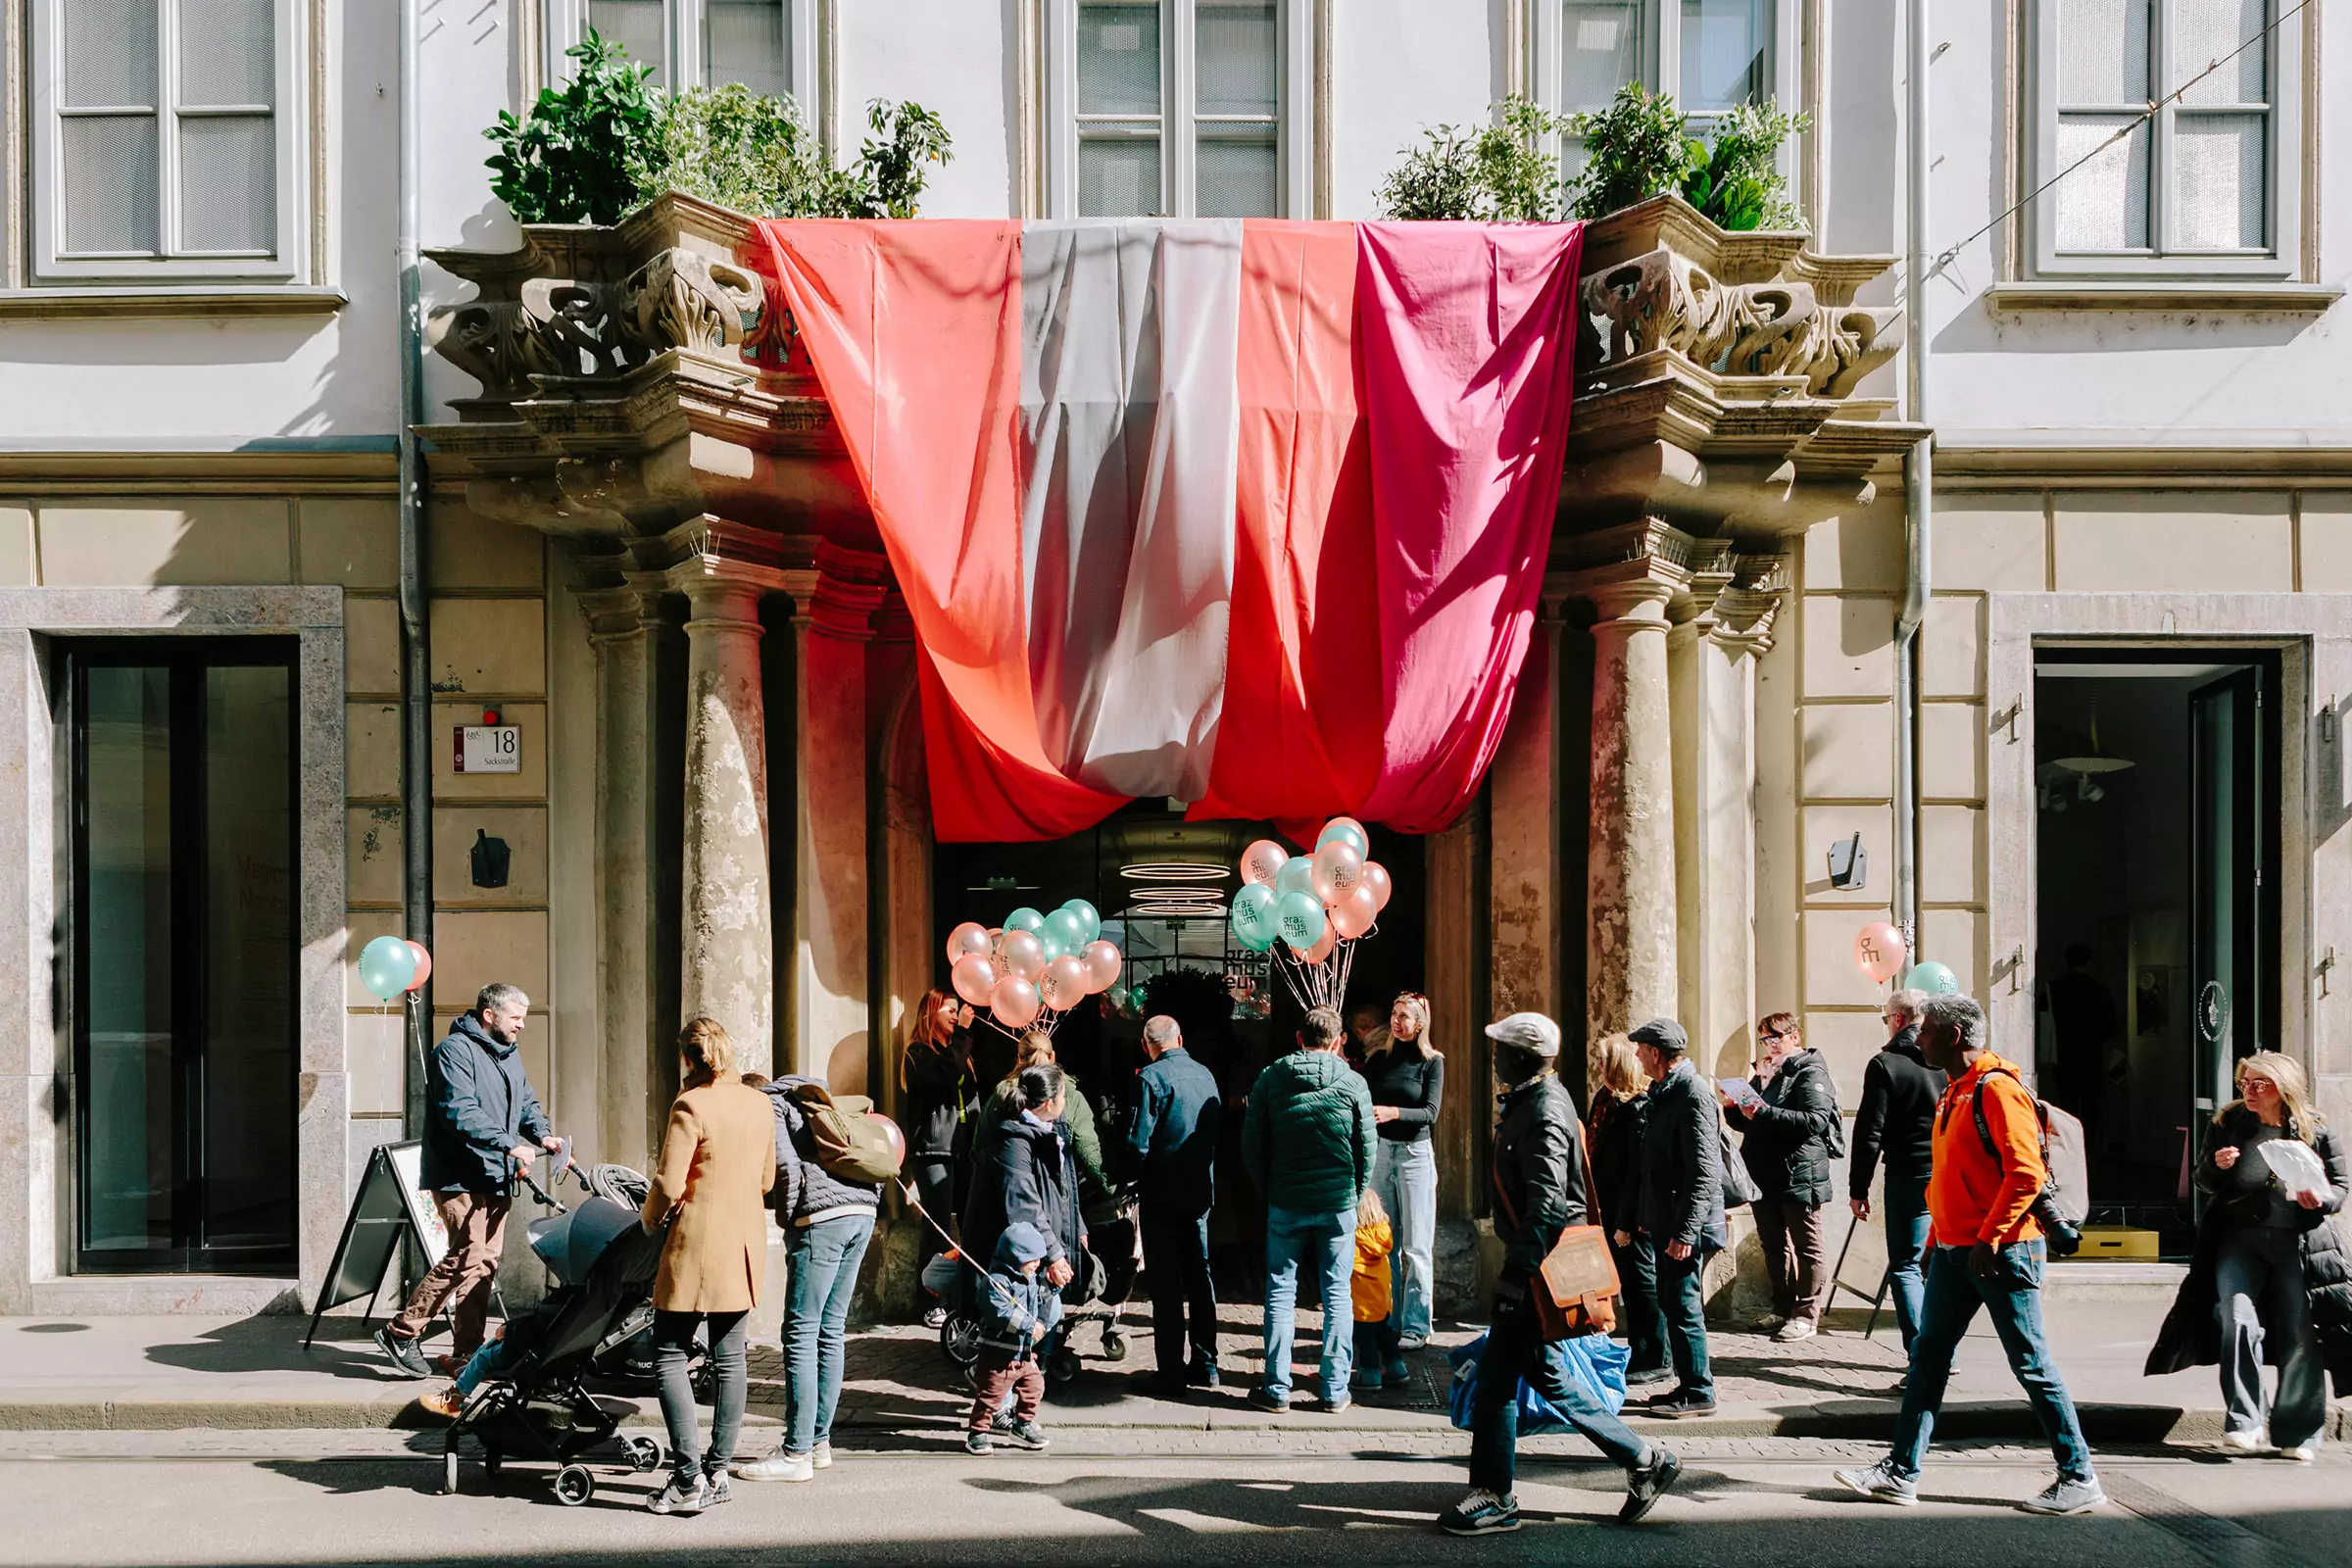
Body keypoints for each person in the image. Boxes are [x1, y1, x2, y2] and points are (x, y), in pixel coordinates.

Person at [1835, 992, 2106, 1516]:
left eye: (1928, 1029)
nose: (1919, 1036)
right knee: (1929, 1359)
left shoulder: (1996, 1090)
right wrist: (1941, 1236)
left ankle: (2079, 1475)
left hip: (2003, 1252)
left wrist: (1990, 1236)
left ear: (1953, 1037)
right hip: (1959, 1250)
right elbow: (1953, 1176)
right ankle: (1900, 1471)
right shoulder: (1954, 1089)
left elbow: (2026, 1172)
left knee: (2031, 1364)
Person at [1438, 1012, 1684, 1537]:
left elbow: (1548, 1206)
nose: (1494, 1057)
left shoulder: (1545, 1109)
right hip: (1533, 1265)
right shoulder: (1534, 1101)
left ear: (1523, 1056)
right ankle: (1644, 1459)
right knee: (1547, 1376)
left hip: (1538, 1269)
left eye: (1501, 1050)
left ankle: (1495, 1495)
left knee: (1499, 1382)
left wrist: (1516, 1274)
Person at [2147, 1052, 2351, 1459]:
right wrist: (2216, 1166)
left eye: (2261, 1083)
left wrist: (2321, 1201)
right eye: (2245, 1083)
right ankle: (2245, 1419)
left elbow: (2341, 1187)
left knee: (2299, 1333)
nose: (2250, 1091)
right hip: (2239, 1240)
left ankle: (2298, 1433)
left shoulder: (2316, 1128)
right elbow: (2203, 1180)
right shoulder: (2229, 1124)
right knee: (2236, 1318)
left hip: (2299, 1243)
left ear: (2285, 1088)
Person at [377, 983, 561, 1378]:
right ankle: (402, 1330)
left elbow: (526, 1103)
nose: (522, 1026)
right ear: (489, 1016)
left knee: (484, 1264)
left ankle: (467, 1353)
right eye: (516, 1017)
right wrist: (508, 1143)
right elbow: (458, 1111)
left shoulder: (507, 1053)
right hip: (460, 1175)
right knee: (466, 1256)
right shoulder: (453, 1053)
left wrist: (543, 1134)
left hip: (497, 1174)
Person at [640, 1017, 778, 1515]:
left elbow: (669, 1184)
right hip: (743, 1244)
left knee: (669, 1353)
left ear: (686, 1059)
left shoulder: (691, 1104)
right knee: (732, 1357)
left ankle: (686, 1477)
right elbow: (766, 1180)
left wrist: (647, 1220)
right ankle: (718, 1471)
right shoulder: (759, 1101)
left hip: (697, 1244)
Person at [734, 1073, 883, 1484]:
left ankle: (796, 1452)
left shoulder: (769, 1105)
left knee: (800, 1332)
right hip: (861, 1212)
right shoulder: (809, 1099)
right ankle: (817, 1444)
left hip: (822, 1219)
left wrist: (788, 1218)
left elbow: (783, 1166)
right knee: (830, 1330)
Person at [1242, 1004, 1376, 1413]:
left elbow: (1252, 1142)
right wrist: (1355, 1192)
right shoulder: (1353, 1082)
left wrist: (1269, 1188)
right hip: (1337, 1203)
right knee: (1338, 1294)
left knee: (1280, 1292)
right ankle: (1334, 1390)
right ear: (1338, 1043)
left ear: (1300, 1038)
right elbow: (1367, 1148)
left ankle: (1277, 1387)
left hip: (1287, 1200)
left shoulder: (1271, 1078)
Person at [1724, 1012, 1842, 1342]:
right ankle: (1782, 1307)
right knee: (1773, 1244)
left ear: (1795, 1036)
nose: (1770, 1044)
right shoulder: (1763, 1072)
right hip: (1763, 1171)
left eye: (1776, 1036)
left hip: (1800, 1171)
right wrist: (1734, 1107)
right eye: (1765, 1038)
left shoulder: (1808, 1070)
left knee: (1806, 1244)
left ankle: (1806, 1314)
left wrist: (1764, 1111)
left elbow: (1814, 1120)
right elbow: (1748, 1123)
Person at [1631, 1017, 1724, 1419]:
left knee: (1684, 1306)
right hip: (1666, 1218)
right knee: (1673, 1302)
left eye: (1641, 1049)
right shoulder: (1666, 1091)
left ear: (1656, 1053)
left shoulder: (1692, 1093)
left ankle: (1699, 1390)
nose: (1636, 1055)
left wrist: (1686, 1230)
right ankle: (1686, 1385)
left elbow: (1704, 1170)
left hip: (1685, 1224)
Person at [1128, 1013, 1223, 1396]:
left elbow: (1139, 1143)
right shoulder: (1206, 1075)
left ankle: (1170, 1371)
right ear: (1179, 1038)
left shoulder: (1149, 1079)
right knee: (1200, 1278)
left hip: (1162, 1194)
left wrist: (1130, 1176)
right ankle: (1206, 1364)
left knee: (1166, 1285)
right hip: (1198, 1191)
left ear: (1146, 1045)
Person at [1850, 989, 1945, 1354]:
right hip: (1947, 1171)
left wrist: (1858, 1188)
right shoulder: (1946, 1059)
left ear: (1898, 1020)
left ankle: (1924, 1355)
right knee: (1941, 1264)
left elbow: (1869, 1132)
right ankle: (1940, 1351)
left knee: (1906, 1264)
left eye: (1887, 1019)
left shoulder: (1885, 1063)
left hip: (1908, 1172)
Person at [963, 1063, 1085, 1307]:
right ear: (1049, 1104)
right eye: (1062, 1095)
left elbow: (1060, 1190)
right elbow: (1023, 1201)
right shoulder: (1013, 1140)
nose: (1065, 1101)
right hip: (1011, 1258)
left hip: (1036, 1250)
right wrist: (1054, 1253)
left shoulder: (1047, 1132)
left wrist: (1077, 1226)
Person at [1363, 991, 1444, 1352]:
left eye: (1405, 1016)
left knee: (1416, 1246)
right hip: (1382, 1151)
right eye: (1394, 1014)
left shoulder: (1432, 1062)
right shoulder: (1381, 1059)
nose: (1397, 1021)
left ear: (1420, 1023)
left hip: (1414, 1153)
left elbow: (1431, 1112)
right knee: (1384, 1240)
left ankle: (1417, 1324)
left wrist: (1395, 1113)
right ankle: (1389, 1318)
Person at [1589, 1032, 1668, 1387]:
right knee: (1628, 1285)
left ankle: (1656, 1355)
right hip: (1606, 1207)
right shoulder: (1605, 1099)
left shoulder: (1638, 1107)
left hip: (1629, 1215)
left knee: (1641, 1285)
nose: (1599, 1067)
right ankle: (1638, 1349)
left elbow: (1637, 1174)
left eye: (1604, 1061)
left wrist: (1625, 1223)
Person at [901, 989, 979, 1329]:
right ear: (930, 1013)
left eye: (956, 1010)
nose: (954, 1014)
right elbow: (944, 1075)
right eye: (948, 1010)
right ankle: (932, 1300)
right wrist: (962, 1033)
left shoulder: (958, 1052)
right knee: (938, 1227)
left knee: (971, 1221)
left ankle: (967, 1293)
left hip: (963, 1151)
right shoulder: (918, 1053)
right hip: (933, 1151)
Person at [962, 1220, 1058, 1455]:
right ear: (1015, 1256)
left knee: (1035, 1386)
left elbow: (1039, 1298)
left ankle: (1022, 1423)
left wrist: (1054, 1287)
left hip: (1023, 1355)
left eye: (1039, 1258)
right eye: (1032, 1259)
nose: (1037, 1264)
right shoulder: (996, 1282)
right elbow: (1000, 1313)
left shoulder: (1032, 1279)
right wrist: (1028, 1325)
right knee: (990, 1397)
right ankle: (977, 1432)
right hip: (998, 1354)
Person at [1349, 1186, 1399, 1391]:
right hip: (1383, 1304)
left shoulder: (1354, 1242)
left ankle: (1370, 1376)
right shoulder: (1383, 1235)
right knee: (1388, 1340)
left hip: (1361, 1308)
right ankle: (1398, 1369)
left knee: (1366, 1344)